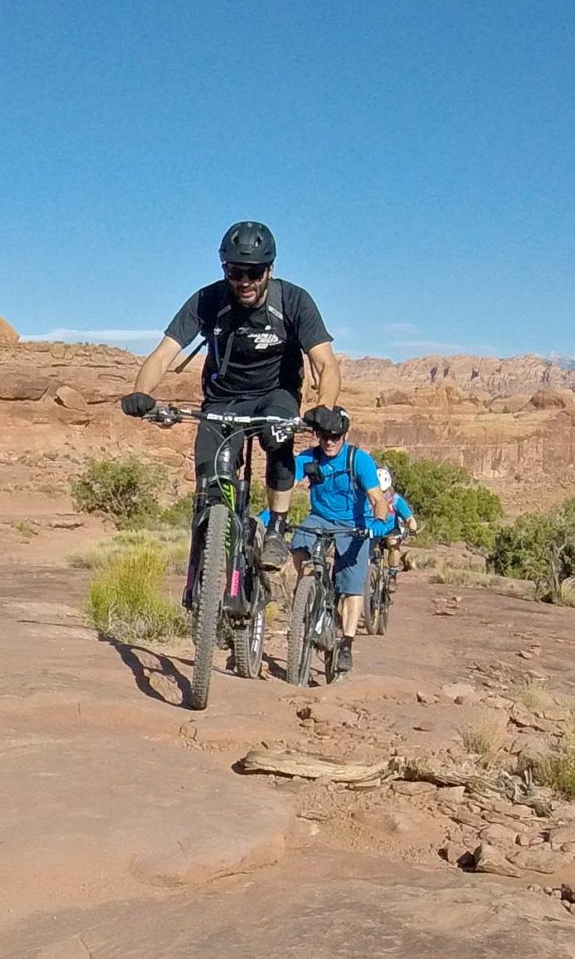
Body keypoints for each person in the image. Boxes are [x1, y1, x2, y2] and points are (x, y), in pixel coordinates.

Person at [121, 221, 340, 572]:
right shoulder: (209, 300)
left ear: (270, 269)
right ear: (225, 269)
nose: (245, 282)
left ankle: (276, 528)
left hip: (275, 393)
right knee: (208, 474)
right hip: (223, 399)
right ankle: (212, 551)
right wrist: (141, 392)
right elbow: (164, 354)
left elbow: (325, 363)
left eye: (254, 272)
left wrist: (325, 407)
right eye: (235, 272)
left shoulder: (294, 301)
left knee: (277, 436)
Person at [288, 406, 383, 675]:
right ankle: (310, 589)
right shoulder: (309, 458)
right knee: (298, 544)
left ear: (344, 435)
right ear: (317, 435)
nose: (329, 442)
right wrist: (270, 516)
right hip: (319, 518)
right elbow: (287, 486)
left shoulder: (359, 460)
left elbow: (377, 499)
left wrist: (376, 523)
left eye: (335, 437)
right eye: (324, 436)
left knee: (352, 587)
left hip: (355, 525)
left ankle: (346, 645)